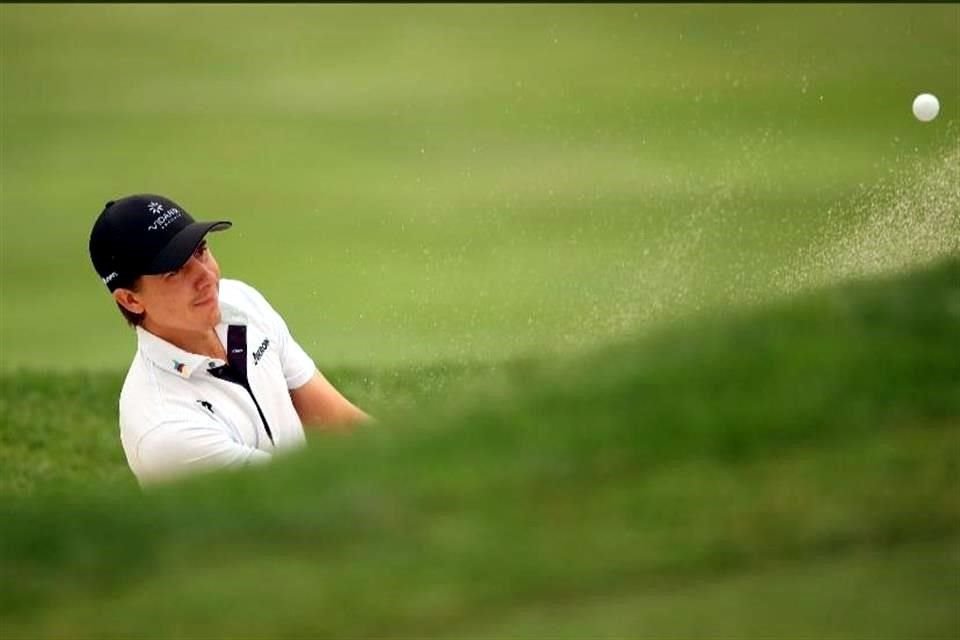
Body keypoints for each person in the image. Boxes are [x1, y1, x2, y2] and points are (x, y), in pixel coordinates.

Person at [88, 193, 370, 487]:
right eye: (175, 271)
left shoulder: (240, 302)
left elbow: (337, 419)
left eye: (201, 251)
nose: (206, 276)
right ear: (131, 300)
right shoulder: (165, 426)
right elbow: (297, 493)